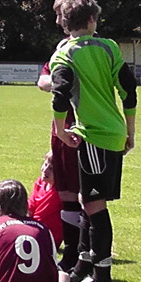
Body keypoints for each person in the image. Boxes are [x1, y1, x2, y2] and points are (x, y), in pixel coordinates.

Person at [49, 0, 137, 282]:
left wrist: (60, 131)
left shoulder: (65, 53)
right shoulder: (110, 47)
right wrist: (130, 131)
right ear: (91, 18)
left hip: (92, 135)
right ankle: (82, 268)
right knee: (89, 201)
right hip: (112, 133)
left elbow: (59, 94)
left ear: (67, 22)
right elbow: (128, 88)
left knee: (95, 206)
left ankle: (102, 281)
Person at [37, 55, 82, 270]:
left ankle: (88, 256)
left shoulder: (95, 49)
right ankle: (72, 254)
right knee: (66, 193)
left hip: (88, 127)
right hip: (62, 126)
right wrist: (62, 83)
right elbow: (43, 81)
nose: (57, 19)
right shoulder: (61, 52)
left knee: (90, 197)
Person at [28, 151, 64, 248]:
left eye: (51, 169)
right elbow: (29, 208)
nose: (45, 170)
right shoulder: (40, 183)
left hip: (47, 235)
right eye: (45, 164)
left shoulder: (61, 192)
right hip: (32, 227)